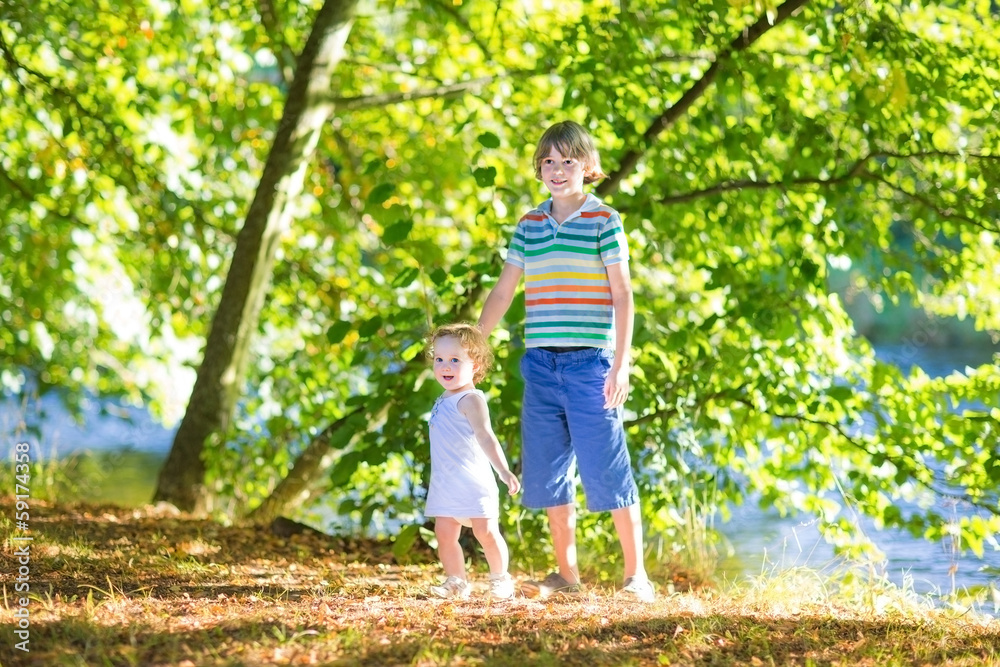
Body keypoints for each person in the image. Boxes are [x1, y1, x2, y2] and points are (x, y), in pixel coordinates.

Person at [476, 120, 655, 602]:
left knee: (608, 467)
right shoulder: (529, 225)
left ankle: (636, 576)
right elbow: (504, 289)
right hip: (541, 366)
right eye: (548, 162)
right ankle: (567, 577)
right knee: (550, 472)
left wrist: (621, 363)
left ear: (588, 166)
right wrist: (476, 341)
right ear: (539, 169)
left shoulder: (604, 221)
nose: (557, 170)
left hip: (591, 365)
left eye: (567, 161)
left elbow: (623, 294)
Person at [424, 323, 521, 600]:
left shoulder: (471, 400)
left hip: (473, 481)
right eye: (440, 359)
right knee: (444, 533)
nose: (446, 366)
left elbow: (486, 437)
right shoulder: (443, 398)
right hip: (445, 483)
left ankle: (501, 578)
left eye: (455, 360)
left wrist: (503, 470)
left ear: (475, 365)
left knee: (486, 532)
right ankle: (456, 581)